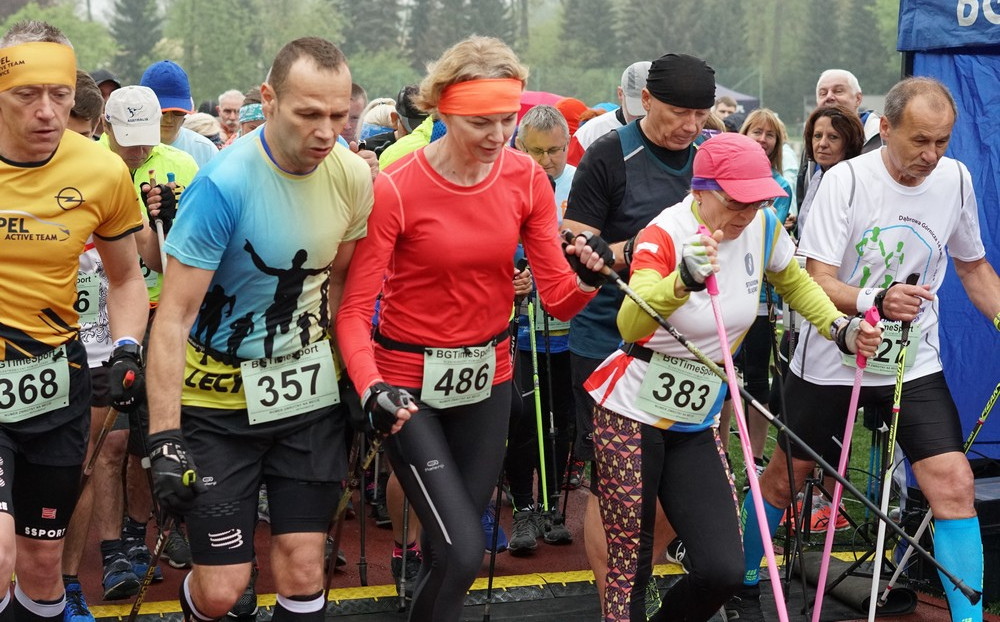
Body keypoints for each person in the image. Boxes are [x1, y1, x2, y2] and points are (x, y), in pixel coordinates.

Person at [335, 35, 611, 622]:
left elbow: (559, 300)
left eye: (506, 119)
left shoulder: (525, 181)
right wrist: (370, 387)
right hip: (408, 387)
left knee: (450, 551)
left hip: (487, 382)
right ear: (443, 109)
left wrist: (593, 276)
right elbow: (354, 311)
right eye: (480, 121)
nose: (498, 136)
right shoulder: (395, 184)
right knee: (463, 550)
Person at [728, 76, 1000, 622]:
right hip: (834, 357)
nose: (932, 154)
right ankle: (742, 578)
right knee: (787, 478)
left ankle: (968, 616)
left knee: (954, 482)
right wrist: (875, 297)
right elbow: (815, 278)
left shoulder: (957, 179)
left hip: (911, 360)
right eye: (920, 140)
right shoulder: (846, 182)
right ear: (884, 128)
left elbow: (972, 266)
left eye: (942, 141)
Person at [586, 131, 880, 622]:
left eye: (757, 198)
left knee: (722, 568)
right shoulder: (665, 233)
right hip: (631, 414)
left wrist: (839, 328)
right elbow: (630, 323)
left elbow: (794, 282)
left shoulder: (763, 226)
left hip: (694, 419)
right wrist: (681, 280)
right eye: (735, 200)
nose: (747, 211)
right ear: (700, 189)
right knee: (629, 570)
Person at [145, 36, 374, 622]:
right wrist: (164, 439)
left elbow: (342, 289)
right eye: (309, 114)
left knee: (303, 567)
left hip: (307, 400)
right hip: (215, 406)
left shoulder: (351, 176)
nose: (327, 131)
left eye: (339, 114)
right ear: (268, 101)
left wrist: (353, 378)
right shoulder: (223, 184)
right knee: (224, 590)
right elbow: (172, 317)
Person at [0, 19, 148, 622]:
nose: (46, 112)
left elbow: (125, 277)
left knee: (41, 567)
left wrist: (128, 347)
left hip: (57, 383)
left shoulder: (101, 170)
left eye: (59, 95)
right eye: (26, 95)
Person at [561, 52, 716, 615]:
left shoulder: (708, 155)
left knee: (672, 480)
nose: (690, 126)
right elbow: (575, 247)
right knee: (616, 489)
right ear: (645, 101)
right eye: (679, 112)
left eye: (701, 114)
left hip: (687, 347)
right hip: (610, 338)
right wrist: (643, 253)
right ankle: (617, 606)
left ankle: (645, 588)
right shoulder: (610, 154)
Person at [506, 104, 578, 555]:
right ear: (519, 146)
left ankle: (553, 504)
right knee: (522, 421)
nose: (546, 161)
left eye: (554, 151)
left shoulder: (577, 181)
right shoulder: (506, 179)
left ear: (568, 148)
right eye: (535, 152)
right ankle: (523, 507)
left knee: (562, 419)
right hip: (521, 326)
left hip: (569, 325)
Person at [712, 109, 794, 475]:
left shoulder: (778, 189)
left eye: (770, 134)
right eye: (755, 132)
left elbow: (789, 274)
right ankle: (719, 452)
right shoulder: (682, 215)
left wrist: (835, 323)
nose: (762, 139)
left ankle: (755, 459)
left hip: (759, 301)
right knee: (722, 377)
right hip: (718, 302)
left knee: (757, 377)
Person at [796, 69, 880, 208]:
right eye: (823, 93)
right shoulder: (813, 141)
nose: (829, 97)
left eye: (838, 91)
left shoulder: (881, 139)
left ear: (858, 98)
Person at [794, 104, 864, 237]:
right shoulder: (817, 176)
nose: (822, 143)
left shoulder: (853, 184)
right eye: (817, 136)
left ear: (849, 143)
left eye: (833, 137)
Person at [566, 61, 650, 166]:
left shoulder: (671, 131)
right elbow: (570, 175)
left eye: (649, 110)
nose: (643, 118)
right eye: (636, 109)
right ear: (620, 94)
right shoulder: (590, 133)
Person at [140, 60, 218, 167]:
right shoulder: (127, 150)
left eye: (178, 111)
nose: (169, 119)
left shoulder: (205, 151)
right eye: (161, 111)